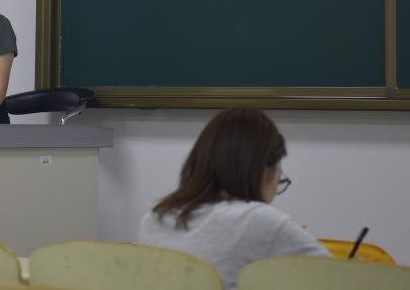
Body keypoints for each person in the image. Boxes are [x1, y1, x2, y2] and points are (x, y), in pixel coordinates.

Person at [137, 107, 329, 290]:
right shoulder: (262, 221)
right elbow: (339, 279)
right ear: (265, 170)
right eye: (279, 176)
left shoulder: (154, 219)